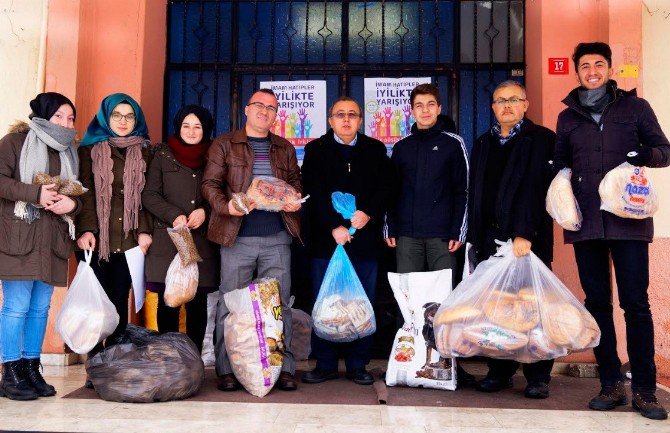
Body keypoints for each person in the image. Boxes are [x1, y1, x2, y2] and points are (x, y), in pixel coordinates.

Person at [555, 42, 670, 420]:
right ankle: (610, 384)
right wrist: (557, 175)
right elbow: (562, 160)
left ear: (609, 68)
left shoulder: (635, 108)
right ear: (577, 71)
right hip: (586, 222)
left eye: (598, 64)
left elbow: (664, 151)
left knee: (635, 304)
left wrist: (645, 155)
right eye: (585, 65)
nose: (592, 71)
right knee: (597, 304)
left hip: (629, 221)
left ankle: (645, 390)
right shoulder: (568, 117)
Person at [202, 89, 302, 392]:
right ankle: (226, 369)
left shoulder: (284, 147)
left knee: (279, 305)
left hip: (277, 237)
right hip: (237, 237)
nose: (265, 111)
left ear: (276, 114)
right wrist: (226, 206)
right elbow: (210, 184)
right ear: (247, 109)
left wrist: (295, 198)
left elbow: (296, 182)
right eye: (259, 105)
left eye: (271, 108)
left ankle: (282, 366)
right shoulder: (224, 144)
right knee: (230, 304)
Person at [467, 80, 556, 399]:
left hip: (527, 240)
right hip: (490, 241)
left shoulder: (543, 139)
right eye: (500, 100)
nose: (506, 105)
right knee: (497, 309)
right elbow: (475, 193)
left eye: (513, 100)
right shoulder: (482, 143)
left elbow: (538, 191)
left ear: (526, 104)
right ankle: (500, 371)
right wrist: (475, 240)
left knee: (531, 308)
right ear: (492, 108)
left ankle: (537, 375)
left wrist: (524, 233)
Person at [383, 83, 475, 386]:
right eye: (419, 105)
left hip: (441, 237)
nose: (425, 110)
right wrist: (390, 226)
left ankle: (447, 366)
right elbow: (391, 192)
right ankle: (406, 363)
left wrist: (458, 230)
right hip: (407, 236)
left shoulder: (453, 143)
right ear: (412, 109)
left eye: (430, 104)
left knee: (442, 305)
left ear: (438, 108)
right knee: (408, 301)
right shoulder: (402, 146)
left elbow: (463, 191)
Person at [301, 96, 393, 385]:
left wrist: (369, 213)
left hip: (364, 242)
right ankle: (325, 363)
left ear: (360, 120)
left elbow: (386, 189)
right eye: (340, 114)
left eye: (352, 114)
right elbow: (312, 193)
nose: (346, 119)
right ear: (330, 120)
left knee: (361, 303)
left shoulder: (375, 149)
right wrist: (333, 226)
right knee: (326, 302)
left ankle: (358, 364)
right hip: (326, 243)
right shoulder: (316, 150)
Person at [0, 93, 80, 400]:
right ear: (43, 115)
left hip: (53, 239)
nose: (65, 123)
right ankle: (10, 372)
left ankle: (32, 369)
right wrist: (35, 194)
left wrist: (71, 203)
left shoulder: (69, 150)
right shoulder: (15, 142)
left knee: (39, 309)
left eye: (70, 118)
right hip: (18, 237)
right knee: (16, 307)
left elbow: (78, 193)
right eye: (59, 116)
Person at [75, 93, 153, 385]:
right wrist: (85, 230)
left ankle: (116, 364)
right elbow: (83, 192)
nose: (123, 121)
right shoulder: (88, 151)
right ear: (106, 117)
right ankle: (95, 367)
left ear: (137, 120)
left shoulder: (146, 151)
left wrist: (144, 230)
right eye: (117, 115)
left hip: (129, 239)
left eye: (129, 116)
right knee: (96, 305)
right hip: (95, 239)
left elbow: (149, 195)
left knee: (120, 300)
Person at [142, 105, 219, 353]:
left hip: (201, 240)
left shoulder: (214, 155)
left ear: (205, 129)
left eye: (197, 126)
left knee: (197, 302)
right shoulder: (162, 155)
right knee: (169, 300)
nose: (192, 131)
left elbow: (222, 191)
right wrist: (173, 214)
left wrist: (205, 211)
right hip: (169, 239)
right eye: (186, 126)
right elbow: (149, 195)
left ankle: (192, 359)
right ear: (178, 127)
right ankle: (170, 360)